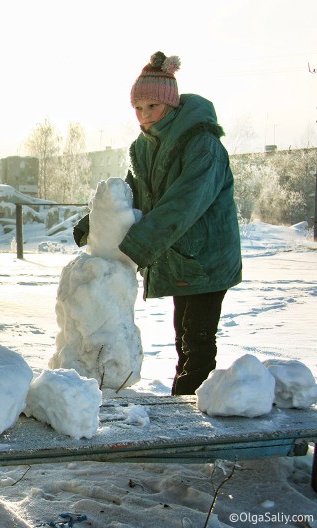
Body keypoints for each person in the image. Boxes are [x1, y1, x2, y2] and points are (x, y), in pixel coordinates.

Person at [73, 51, 242, 395]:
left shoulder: (202, 145)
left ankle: (192, 418)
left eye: (153, 106)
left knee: (196, 339)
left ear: (172, 104)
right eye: (138, 107)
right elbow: (130, 193)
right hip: (181, 255)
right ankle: (189, 406)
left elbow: (183, 204)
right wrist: (95, 222)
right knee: (184, 337)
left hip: (207, 257)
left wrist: (137, 245)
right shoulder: (143, 147)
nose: (144, 115)